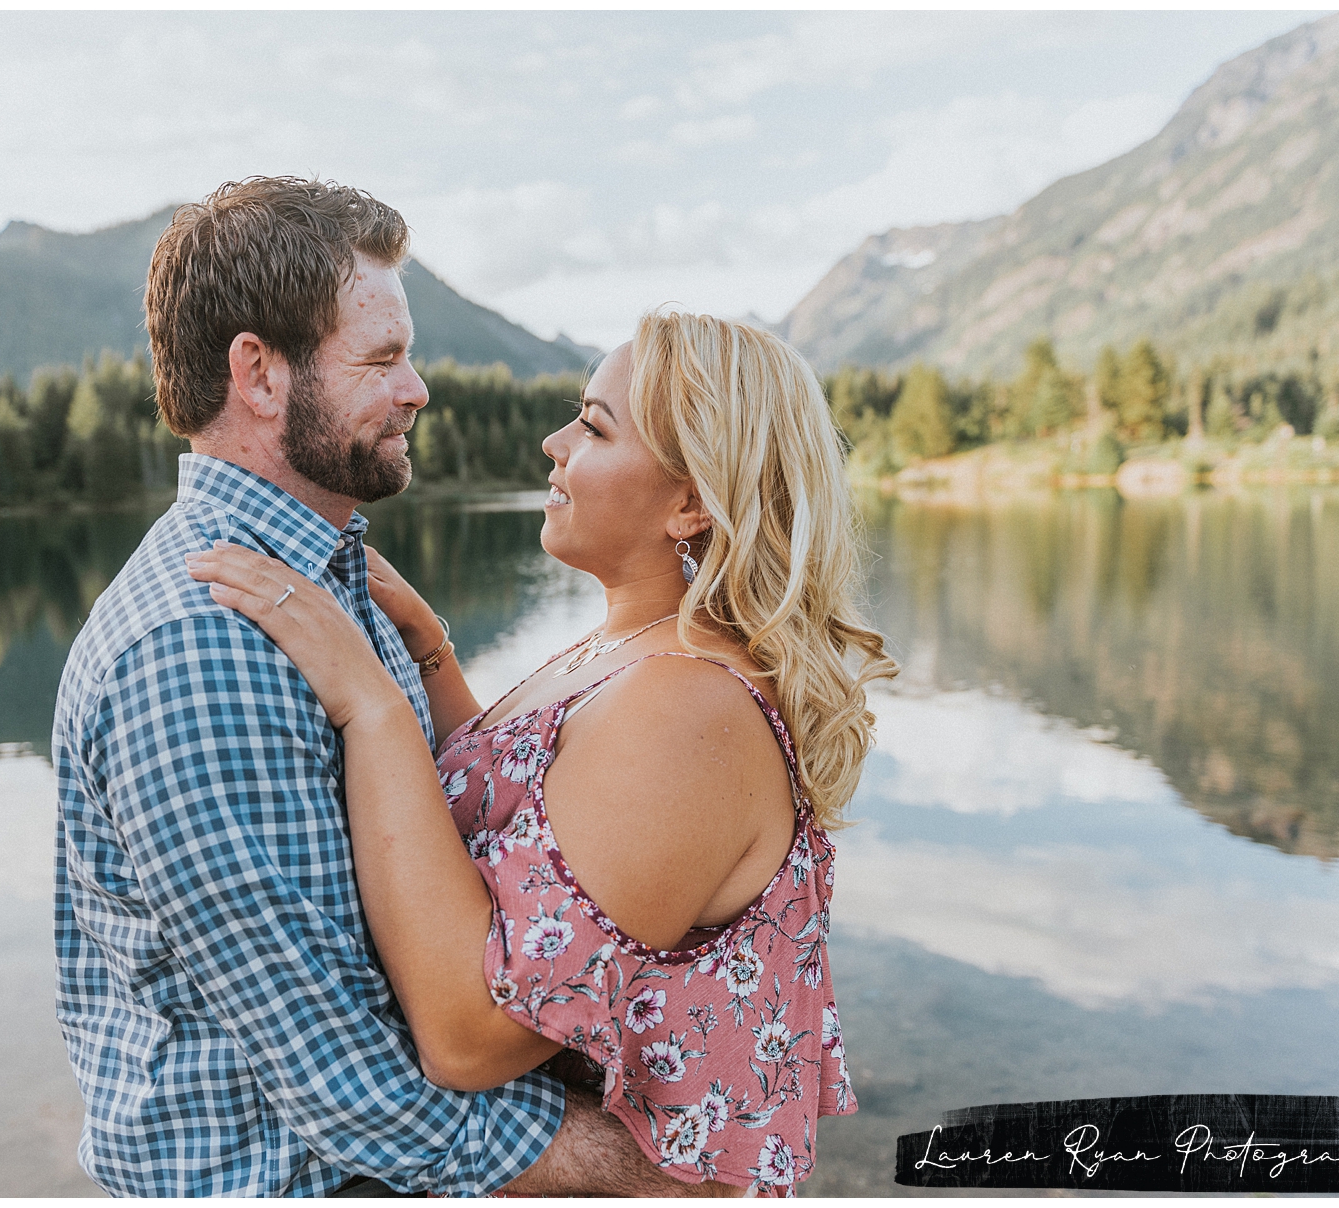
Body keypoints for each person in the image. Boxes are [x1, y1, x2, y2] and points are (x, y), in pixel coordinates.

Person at [51, 177, 695, 1197]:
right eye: (384, 357)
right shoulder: (203, 649)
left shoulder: (325, 590)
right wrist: (659, 1168)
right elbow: (356, 1090)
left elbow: (450, 856)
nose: (419, 389)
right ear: (259, 374)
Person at [186, 310, 899, 1195]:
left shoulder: (693, 708)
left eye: (594, 428)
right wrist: (430, 655)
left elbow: (470, 1038)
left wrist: (368, 703)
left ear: (689, 503)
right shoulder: (635, 650)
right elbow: (536, 825)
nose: (552, 443)